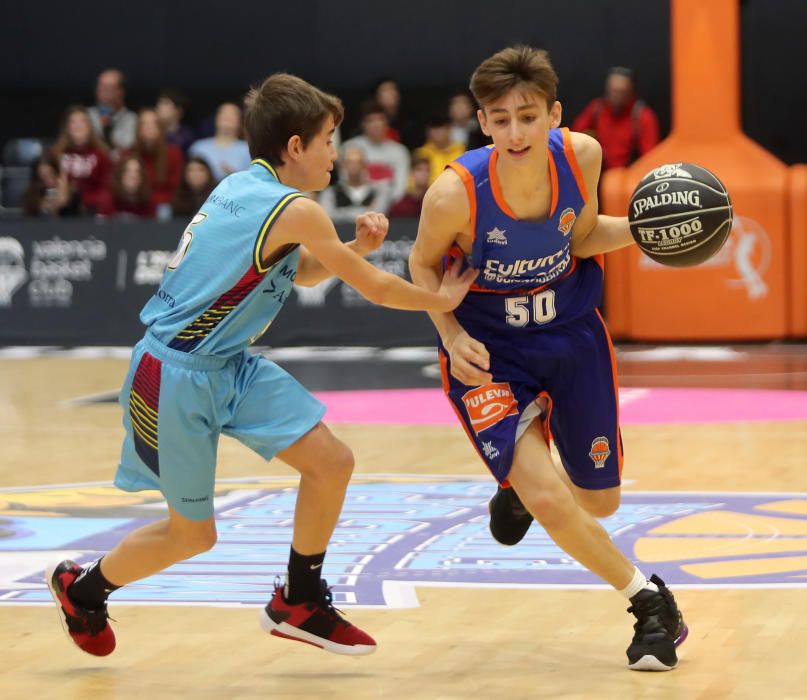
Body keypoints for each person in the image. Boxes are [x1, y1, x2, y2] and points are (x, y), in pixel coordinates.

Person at [46, 72, 476, 659]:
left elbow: (295, 272)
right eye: (328, 139)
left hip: (227, 364)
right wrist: (442, 301)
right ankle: (82, 589)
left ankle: (299, 601)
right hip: (174, 376)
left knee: (331, 462)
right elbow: (375, 290)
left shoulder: (244, 188)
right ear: (295, 147)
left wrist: (353, 251)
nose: (336, 153)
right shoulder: (295, 208)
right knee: (192, 535)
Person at [408, 46, 687, 672]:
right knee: (551, 495)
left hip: (571, 333)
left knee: (599, 501)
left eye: (528, 117)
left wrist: (649, 230)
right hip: (488, 352)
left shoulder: (580, 155)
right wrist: (449, 335)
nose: (515, 132)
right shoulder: (455, 193)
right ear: (482, 122)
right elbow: (422, 264)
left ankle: (516, 492)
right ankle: (650, 603)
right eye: (500, 119)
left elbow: (582, 235)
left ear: (554, 115)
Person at [571, 66, 660, 170]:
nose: (616, 97)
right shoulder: (597, 109)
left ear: (631, 92)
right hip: (599, 174)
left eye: (622, 92)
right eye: (613, 91)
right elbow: (574, 138)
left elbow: (650, 158)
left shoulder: (642, 116)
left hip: (629, 176)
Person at [341, 100, 410, 202]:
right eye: (370, 120)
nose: (376, 124)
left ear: (387, 123)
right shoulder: (349, 147)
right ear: (363, 124)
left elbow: (400, 189)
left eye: (380, 119)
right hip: (354, 204)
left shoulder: (400, 151)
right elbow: (344, 182)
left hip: (390, 209)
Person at [51, 106, 112, 214]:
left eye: (83, 121)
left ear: (90, 127)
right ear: (67, 128)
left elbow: (106, 189)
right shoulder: (55, 155)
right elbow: (49, 184)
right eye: (73, 122)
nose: (78, 126)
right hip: (62, 210)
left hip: (92, 211)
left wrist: (85, 203)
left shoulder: (101, 155)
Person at [125, 108, 184, 214]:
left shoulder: (174, 154)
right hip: (132, 203)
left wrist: (149, 200)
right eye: (144, 124)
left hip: (161, 205)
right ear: (138, 129)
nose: (149, 127)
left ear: (161, 129)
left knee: (164, 210)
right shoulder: (127, 154)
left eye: (154, 124)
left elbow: (175, 189)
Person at [319, 145, 391, 222]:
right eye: (350, 162)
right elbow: (328, 216)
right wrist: (363, 213)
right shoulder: (330, 192)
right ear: (343, 165)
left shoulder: (378, 191)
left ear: (365, 165)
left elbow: (379, 213)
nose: (354, 166)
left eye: (358, 162)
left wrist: (342, 212)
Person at [188, 102, 252, 181]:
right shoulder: (198, 147)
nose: (226, 116)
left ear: (240, 121)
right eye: (222, 113)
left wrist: (233, 175)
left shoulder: (247, 149)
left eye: (232, 114)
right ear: (216, 118)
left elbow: (251, 181)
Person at [88, 69, 138, 152]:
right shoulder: (86, 116)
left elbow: (129, 149)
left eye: (107, 87)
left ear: (120, 92)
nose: (100, 91)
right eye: (99, 86)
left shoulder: (133, 120)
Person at [96, 154, 156, 219]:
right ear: (120, 175)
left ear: (142, 178)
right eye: (128, 171)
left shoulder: (149, 201)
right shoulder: (108, 199)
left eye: (137, 172)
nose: (133, 175)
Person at [414, 113, 466, 185]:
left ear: (449, 129)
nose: (437, 131)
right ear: (427, 131)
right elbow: (412, 183)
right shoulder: (421, 153)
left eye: (441, 126)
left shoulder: (462, 151)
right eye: (433, 127)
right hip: (428, 194)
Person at [388, 154, 430, 218]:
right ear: (411, 174)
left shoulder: (434, 201)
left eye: (427, 170)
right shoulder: (399, 207)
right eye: (419, 169)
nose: (424, 173)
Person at [156, 88, 196, 154]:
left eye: (165, 103)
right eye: (159, 103)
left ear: (178, 110)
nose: (159, 106)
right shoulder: (153, 132)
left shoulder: (187, 136)